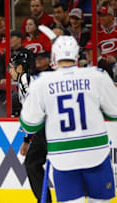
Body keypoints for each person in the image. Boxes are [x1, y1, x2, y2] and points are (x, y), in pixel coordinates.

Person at [20, 35, 117, 203]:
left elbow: (29, 124)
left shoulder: (41, 82)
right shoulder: (97, 76)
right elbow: (114, 112)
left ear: (54, 57)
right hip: (96, 153)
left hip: (63, 157)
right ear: (77, 57)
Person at [17, 51, 53, 203]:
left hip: (53, 125)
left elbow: (34, 107)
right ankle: (44, 201)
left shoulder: (49, 75)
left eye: (42, 58)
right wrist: (27, 139)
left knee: (64, 164)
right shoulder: (32, 77)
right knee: (32, 162)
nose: (39, 61)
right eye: (37, 58)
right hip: (41, 128)